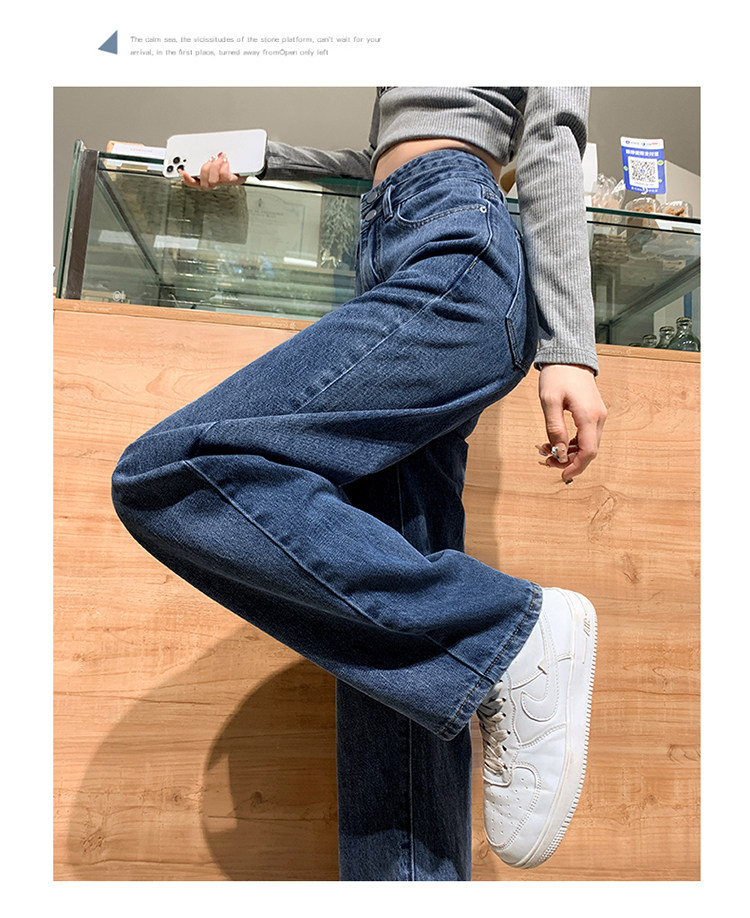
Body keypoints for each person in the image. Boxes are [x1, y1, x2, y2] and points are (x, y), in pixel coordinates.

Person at [111, 87, 607, 881]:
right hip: (395, 241)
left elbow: (552, 131)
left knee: (168, 472)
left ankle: (507, 637)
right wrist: (263, 161)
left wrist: (570, 348)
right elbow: (393, 151)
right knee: (399, 676)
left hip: (457, 243)